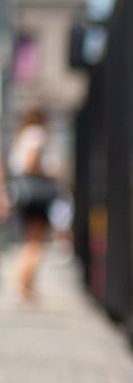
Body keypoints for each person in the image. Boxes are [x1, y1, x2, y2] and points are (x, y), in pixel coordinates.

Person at [8, 108, 57, 302]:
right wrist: (47, 172)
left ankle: (28, 285)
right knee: (36, 242)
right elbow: (31, 161)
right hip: (36, 194)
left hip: (25, 194)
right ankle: (23, 279)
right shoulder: (36, 134)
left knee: (30, 239)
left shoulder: (21, 135)